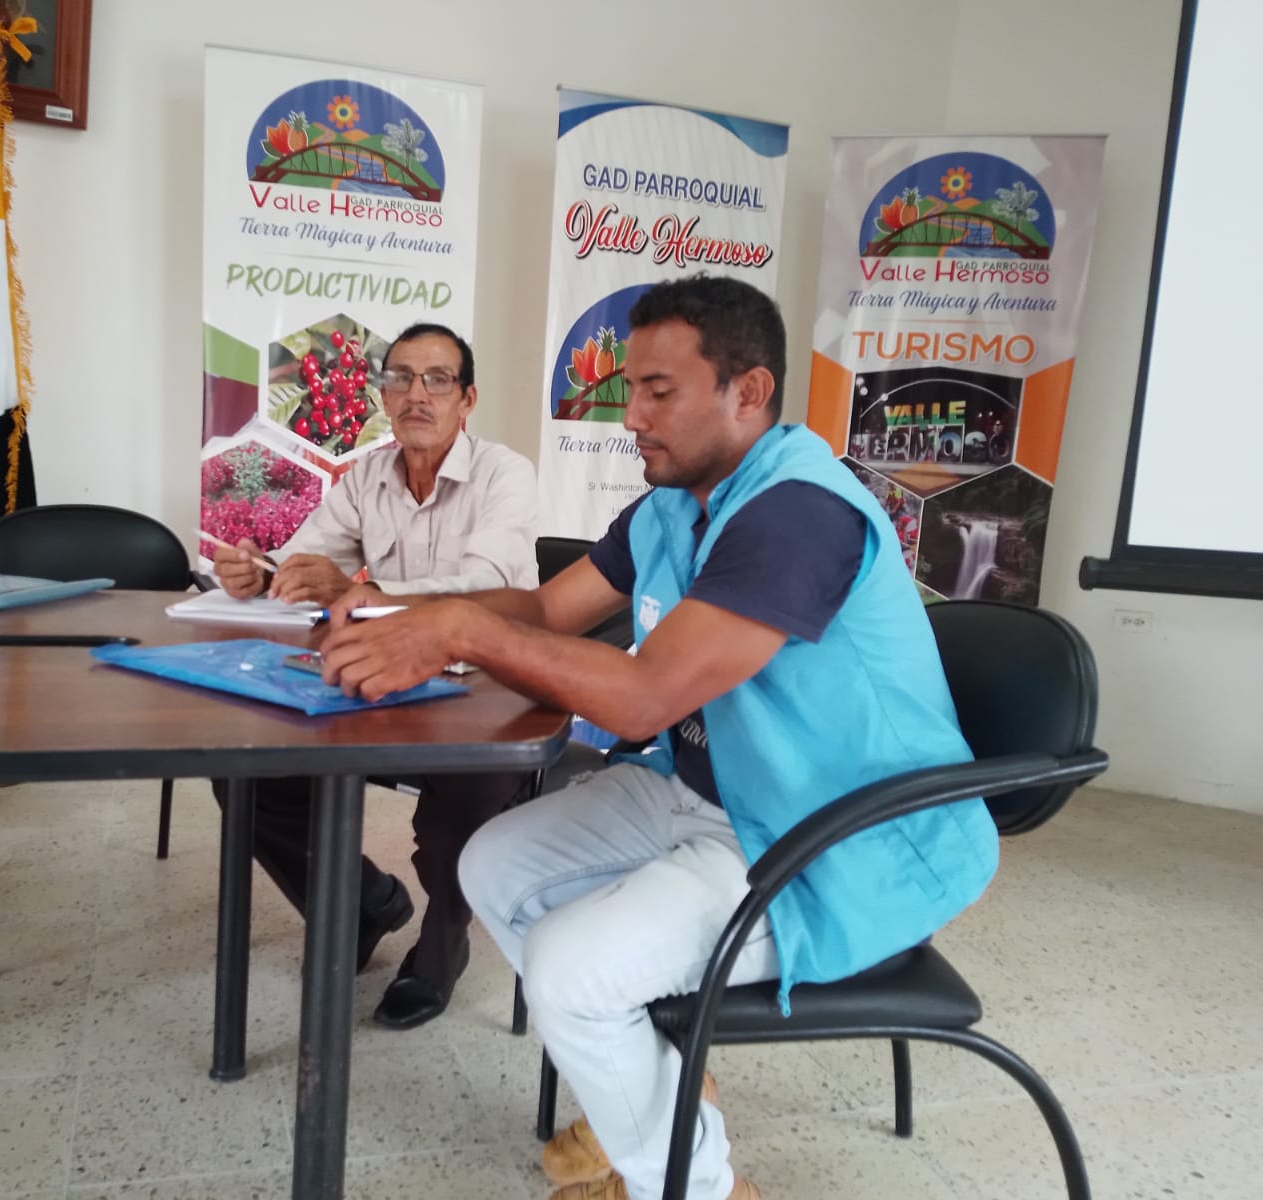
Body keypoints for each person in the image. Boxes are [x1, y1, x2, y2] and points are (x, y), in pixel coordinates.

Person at [314, 276, 999, 1199]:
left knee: (572, 972)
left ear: (747, 392)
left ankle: (695, 1184)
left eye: (658, 391)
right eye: (629, 389)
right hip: (709, 790)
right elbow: (549, 610)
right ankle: (666, 1098)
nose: (630, 416)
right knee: (491, 864)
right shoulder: (675, 499)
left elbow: (643, 698)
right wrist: (408, 613)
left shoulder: (798, 513)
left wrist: (458, 631)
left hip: (829, 836)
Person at [210, 321, 539, 1029]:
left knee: (461, 802)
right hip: (390, 677)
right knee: (247, 772)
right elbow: (309, 564)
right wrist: (261, 574)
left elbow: (484, 590)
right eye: (400, 378)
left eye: (437, 380)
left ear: (467, 398)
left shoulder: (504, 474)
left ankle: (443, 943)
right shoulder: (366, 476)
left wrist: (358, 594)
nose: (416, 394)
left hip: (487, 684)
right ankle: (364, 903)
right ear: (383, 395)